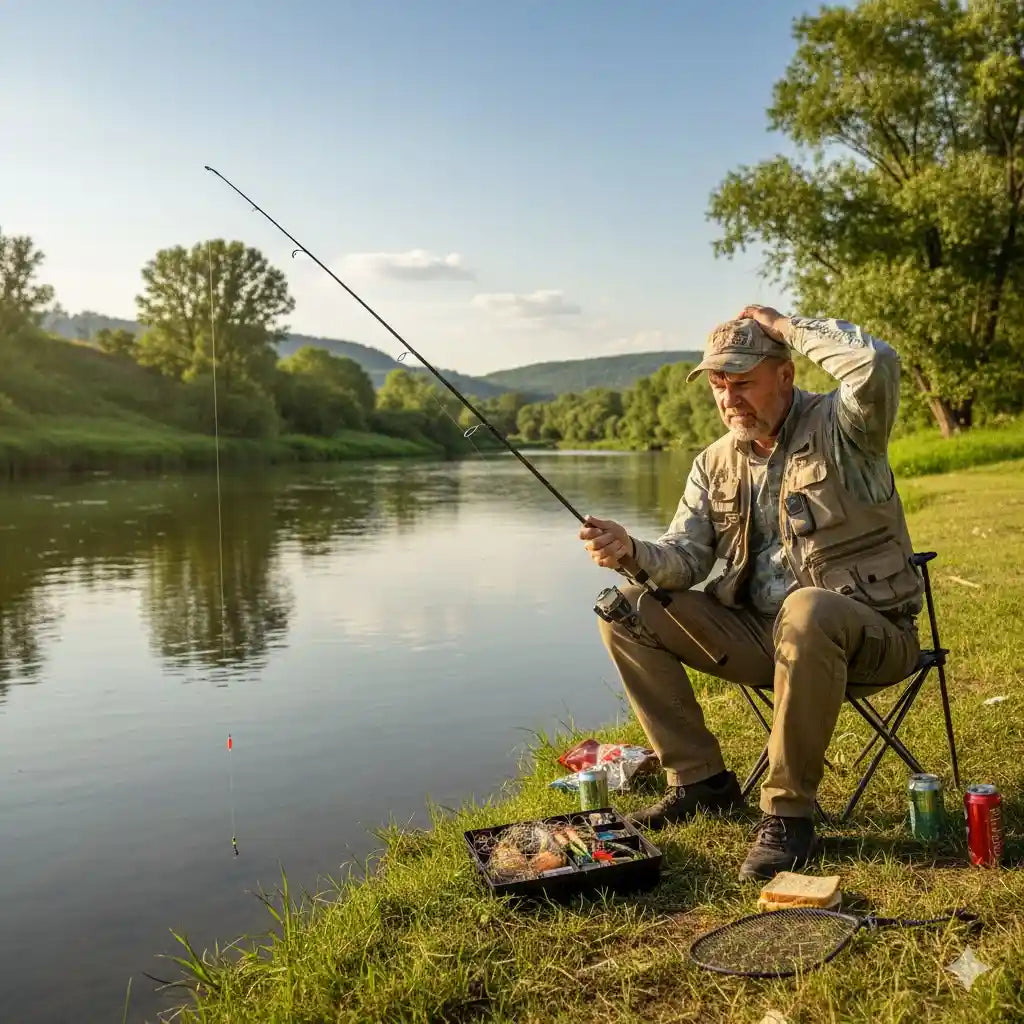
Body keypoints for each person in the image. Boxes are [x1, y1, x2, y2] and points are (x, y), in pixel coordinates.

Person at [578, 305, 923, 881]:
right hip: (764, 638)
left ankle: (789, 814)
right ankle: (700, 781)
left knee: (806, 607)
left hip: (870, 637)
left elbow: (875, 363)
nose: (728, 397)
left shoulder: (847, 428)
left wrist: (786, 327)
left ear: (785, 374)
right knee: (624, 609)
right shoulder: (712, 462)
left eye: (742, 381)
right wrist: (632, 552)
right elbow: (685, 558)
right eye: (718, 383)